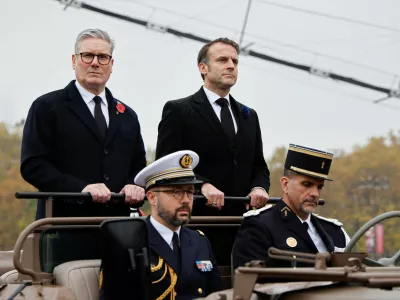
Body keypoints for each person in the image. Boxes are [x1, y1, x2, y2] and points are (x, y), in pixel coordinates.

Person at [20, 29, 146, 219]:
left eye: (103, 57)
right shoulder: (47, 107)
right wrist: (81, 188)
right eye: (87, 56)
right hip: (64, 225)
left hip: (117, 227)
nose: (95, 63)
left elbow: (139, 166)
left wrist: (134, 185)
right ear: (74, 61)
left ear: (111, 64)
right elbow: (33, 165)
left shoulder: (127, 115)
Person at [156, 37, 270, 217]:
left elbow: (259, 167)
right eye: (222, 60)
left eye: (235, 61)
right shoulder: (179, 110)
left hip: (242, 223)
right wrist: (202, 185)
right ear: (203, 68)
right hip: (198, 220)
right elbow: (167, 164)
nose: (231, 65)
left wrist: (259, 188)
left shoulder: (249, 116)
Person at [100, 150, 221, 300]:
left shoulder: (199, 241)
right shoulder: (127, 243)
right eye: (176, 192)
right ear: (152, 198)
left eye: (190, 192)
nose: (186, 200)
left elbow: (216, 294)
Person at [232, 144, 350, 269]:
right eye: (307, 184)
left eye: (319, 187)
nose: (315, 194)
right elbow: (251, 282)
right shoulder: (259, 228)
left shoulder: (335, 232)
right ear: (285, 185)